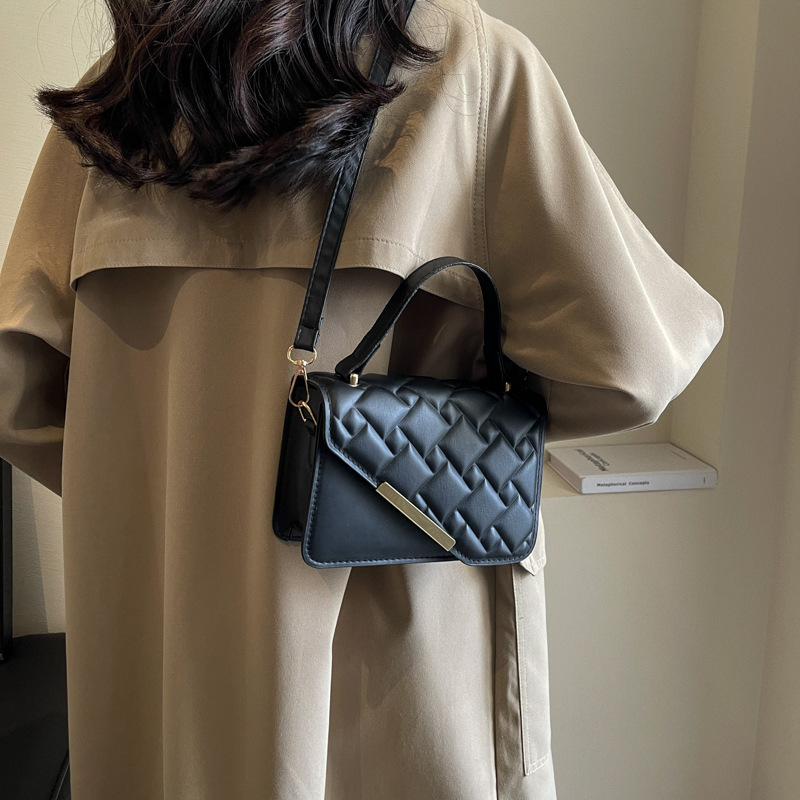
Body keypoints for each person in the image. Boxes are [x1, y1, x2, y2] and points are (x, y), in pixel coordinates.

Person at [0, 0, 724, 798]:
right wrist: (432, 440)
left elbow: (16, 396)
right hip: (391, 666)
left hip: (161, 674)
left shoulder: (115, 106)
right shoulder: (464, 65)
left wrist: (172, 494)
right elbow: (634, 363)